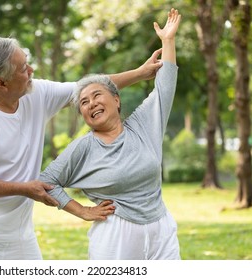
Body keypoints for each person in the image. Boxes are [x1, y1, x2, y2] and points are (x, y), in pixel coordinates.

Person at [0, 35, 163, 260]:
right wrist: (24, 188)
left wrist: (141, 73)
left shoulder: (35, 92)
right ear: (1, 83)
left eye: (27, 61)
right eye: (22, 69)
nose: (30, 70)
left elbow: (89, 88)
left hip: (19, 236)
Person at [39, 8, 182, 260]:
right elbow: (46, 183)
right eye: (83, 102)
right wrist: (81, 210)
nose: (91, 103)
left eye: (97, 96)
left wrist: (168, 41)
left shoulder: (143, 126)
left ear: (116, 100)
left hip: (161, 227)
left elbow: (165, 88)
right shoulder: (83, 147)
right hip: (116, 236)